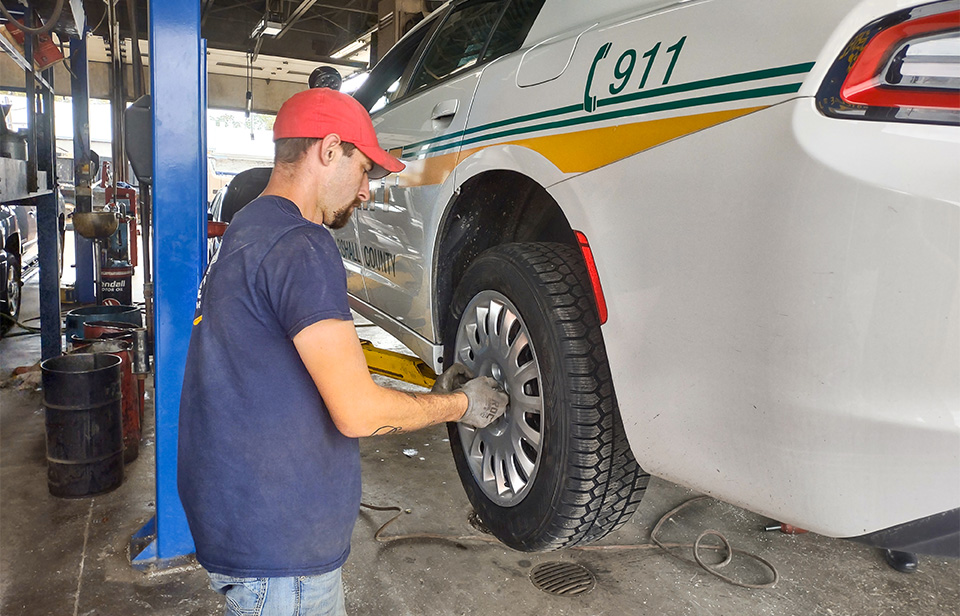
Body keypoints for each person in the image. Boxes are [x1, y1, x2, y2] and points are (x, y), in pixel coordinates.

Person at [177, 87, 509, 616]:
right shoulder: (301, 245)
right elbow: (357, 413)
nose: (367, 194)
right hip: (279, 553)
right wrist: (462, 406)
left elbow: (288, 371)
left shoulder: (250, 226)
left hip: (244, 522)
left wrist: (426, 396)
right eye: (364, 171)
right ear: (329, 150)